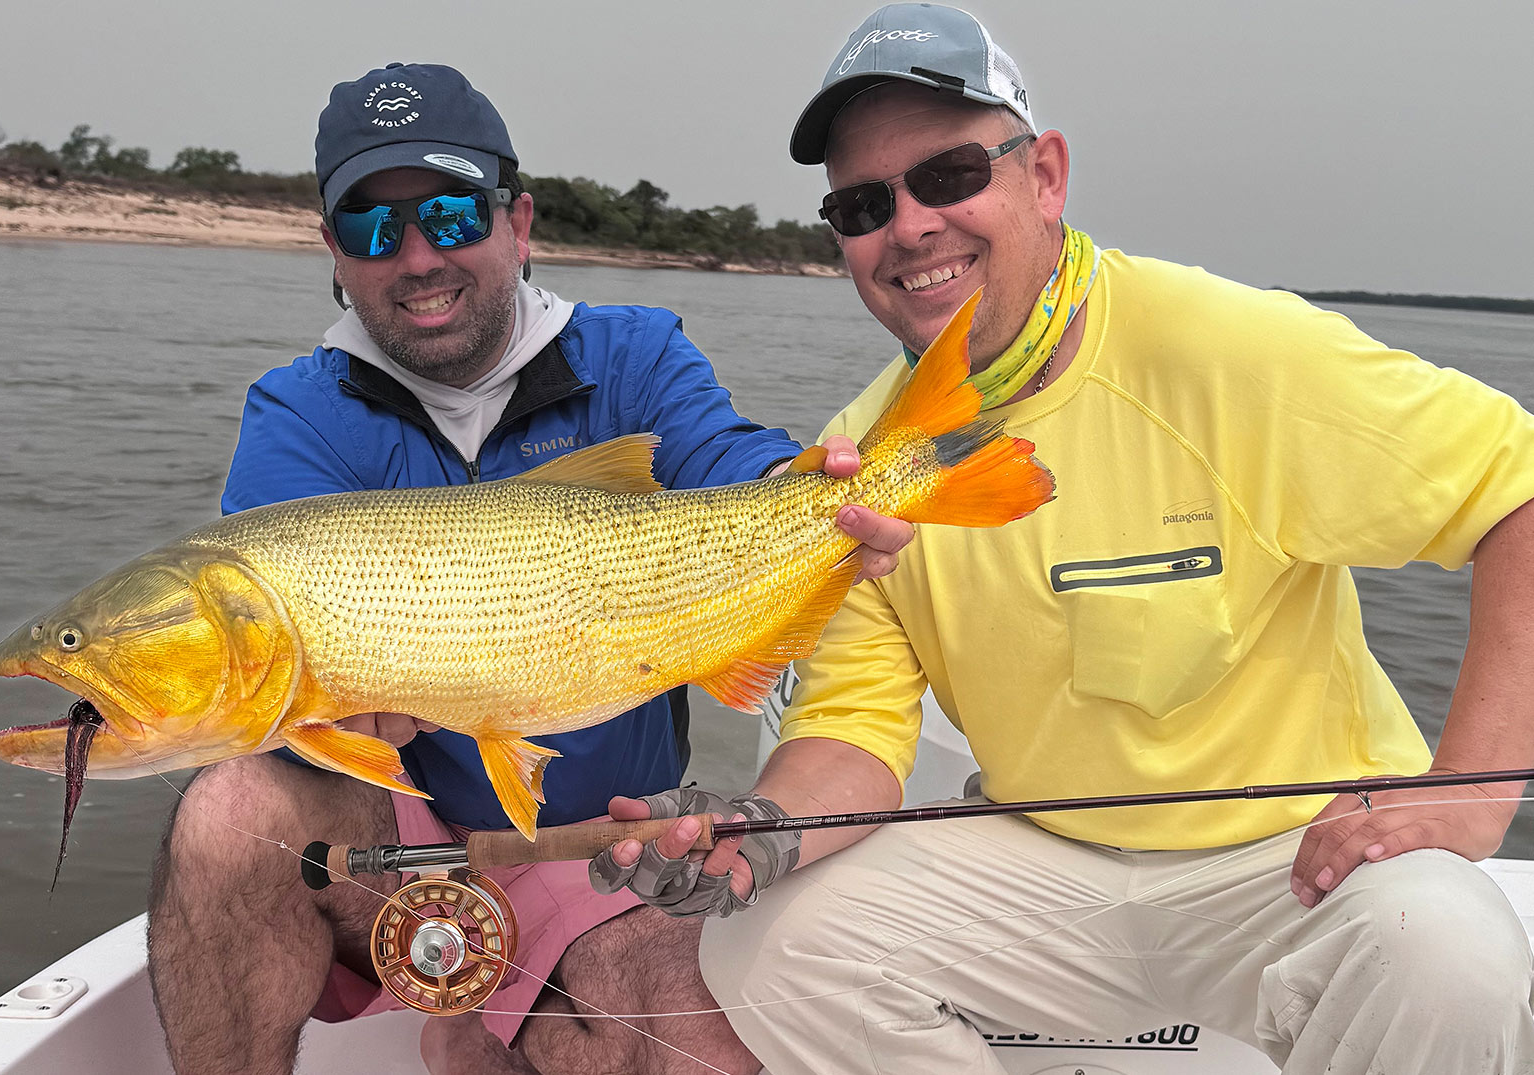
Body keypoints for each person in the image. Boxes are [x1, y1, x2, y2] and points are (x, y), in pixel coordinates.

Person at [593, 6, 1534, 1073]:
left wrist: (1472, 786)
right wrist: (756, 827)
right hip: (1042, 861)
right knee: (768, 947)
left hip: (1294, 865)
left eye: (948, 175)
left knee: (1446, 948)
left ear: (1045, 175)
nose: (908, 227)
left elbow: (1520, 489)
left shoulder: (1225, 348)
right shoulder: (856, 458)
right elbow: (856, 729)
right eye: (862, 204)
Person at [145, 62, 912, 1075]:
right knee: (230, 808)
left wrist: (813, 494)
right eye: (375, 228)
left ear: (519, 221)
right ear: (335, 251)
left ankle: (486, 1024)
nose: (418, 256)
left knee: (703, 1044)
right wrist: (319, 714)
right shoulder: (297, 413)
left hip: (599, 839)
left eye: (453, 215)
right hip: (385, 842)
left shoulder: (637, 355)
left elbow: (729, 457)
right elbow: (272, 660)